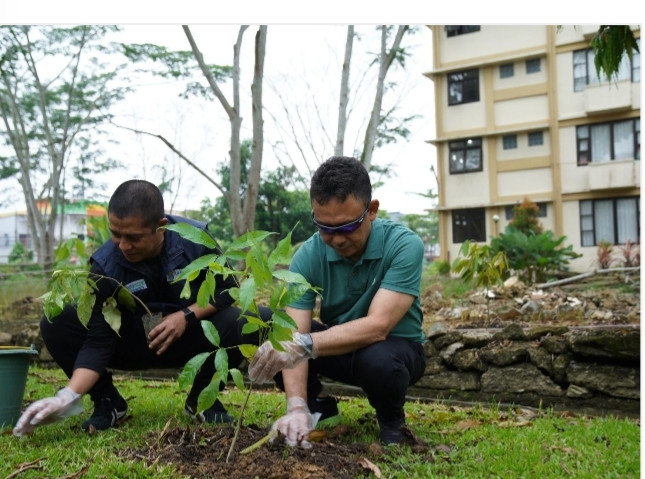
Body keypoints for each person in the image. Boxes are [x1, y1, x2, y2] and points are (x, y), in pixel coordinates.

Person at [13, 179, 271, 436]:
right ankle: (107, 402)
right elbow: (98, 342)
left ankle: (203, 398)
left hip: (192, 337)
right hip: (132, 343)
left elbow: (227, 290)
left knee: (253, 319)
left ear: (161, 226)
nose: (123, 246)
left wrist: (185, 316)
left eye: (133, 237)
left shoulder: (195, 240)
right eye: (116, 234)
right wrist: (66, 396)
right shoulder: (104, 266)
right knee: (57, 320)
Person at [248, 156, 427, 446]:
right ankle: (315, 404)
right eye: (325, 228)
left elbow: (379, 326)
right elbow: (292, 333)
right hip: (338, 349)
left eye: (347, 227)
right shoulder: (309, 255)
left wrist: (302, 345)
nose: (337, 240)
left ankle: (392, 419)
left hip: (395, 351)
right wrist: (296, 405)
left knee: (378, 360)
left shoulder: (404, 245)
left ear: (371, 210)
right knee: (271, 325)